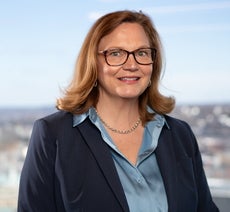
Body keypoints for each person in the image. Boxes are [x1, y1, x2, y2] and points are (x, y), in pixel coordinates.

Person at [18, 10, 219, 212]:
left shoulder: (180, 134)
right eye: (116, 54)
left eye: (142, 53)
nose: (131, 65)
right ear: (93, 63)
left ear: (153, 63)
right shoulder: (53, 134)